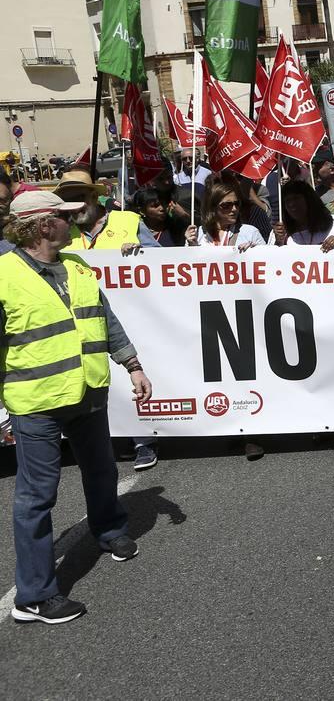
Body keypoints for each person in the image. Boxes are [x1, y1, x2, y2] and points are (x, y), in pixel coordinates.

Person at [2, 190, 153, 625]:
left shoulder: (77, 266)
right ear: (44, 225)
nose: (76, 221)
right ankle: (33, 597)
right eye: (66, 217)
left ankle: (109, 530)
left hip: (88, 392)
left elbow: (106, 320)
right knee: (36, 498)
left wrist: (133, 365)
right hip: (37, 404)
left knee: (102, 469)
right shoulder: (3, 274)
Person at [55, 170, 158, 253]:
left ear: (94, 197)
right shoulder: (60, 232)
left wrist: (142, 253)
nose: (74, 207)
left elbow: (161, 258)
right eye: (68, 200)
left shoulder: (129, 221)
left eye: (79, 199)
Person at [271, 180, 334, 250]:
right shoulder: (280, 232)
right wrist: (279, 242)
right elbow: (269, 264)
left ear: (309, 200)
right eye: (287, 201)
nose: (291, 204)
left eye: (296, 198)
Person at [187, 183, 266, 249]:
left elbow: (267, 261)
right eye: (227, 205)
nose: (234, 209)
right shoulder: (197, 234)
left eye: (236, 204)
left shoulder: (250, 232)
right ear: (212, 207)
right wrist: (192, 246)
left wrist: (254, 252)